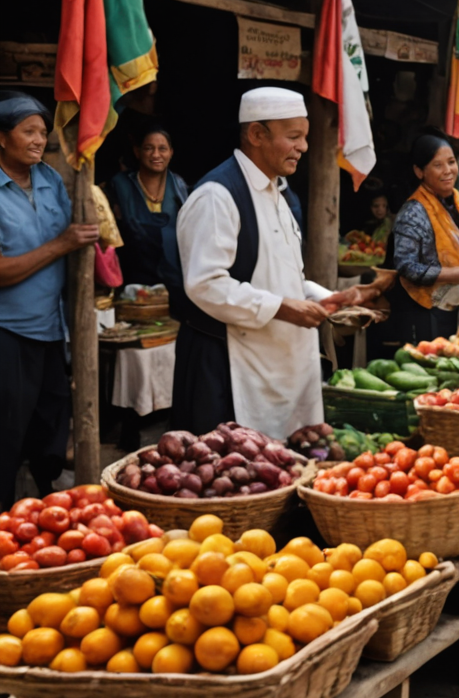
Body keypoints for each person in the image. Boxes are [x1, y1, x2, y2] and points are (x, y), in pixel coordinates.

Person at [170, 88, 370, 438]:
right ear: (257, 135)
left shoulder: (282, 193)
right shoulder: (217, 196)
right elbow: (205, 284)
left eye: (304, 137)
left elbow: (284, 275)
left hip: (281, 364)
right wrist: (281, 308)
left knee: (284, 464)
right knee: (234, 474)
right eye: (293, 137)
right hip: (230, 363)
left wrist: (329, 298)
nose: (304, 147)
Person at [0, 94, 97, 494]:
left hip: (52, 329)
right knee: (7, 432)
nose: (39, 140)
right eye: (29, 132)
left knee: (50, 428)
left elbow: (76, 243)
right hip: (9, 332)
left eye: (43, 131)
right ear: (3, 138)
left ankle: (45, 511)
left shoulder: (51, 179)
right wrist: (61, 244)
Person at [381, 134, 459, 351]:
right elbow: (407, 267)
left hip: (457, 307)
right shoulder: (414, 212)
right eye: (437, 165)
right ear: (420, 172)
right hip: (425, 312)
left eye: (452, 162)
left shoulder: (457, 203)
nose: (448, 170)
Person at [105, 123, 187, 287]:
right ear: (137, 152)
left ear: (171, 153)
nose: (156, 154)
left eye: (162, 149)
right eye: (149, 148)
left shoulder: (180, 187)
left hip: (174, 282)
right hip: (131, 282)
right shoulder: (120, 186)